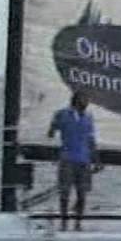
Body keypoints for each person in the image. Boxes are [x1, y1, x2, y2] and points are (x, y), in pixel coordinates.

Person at [47, 91, 100, 231]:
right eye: (85, 99)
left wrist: (96, 159)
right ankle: (64, 221)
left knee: (82, 193)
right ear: (77, 100)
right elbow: (51, 131)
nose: (87, 102)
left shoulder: (88, 117)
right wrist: (53, 127)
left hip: (84, 159)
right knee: (65, 191)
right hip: (68, 158)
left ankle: (78, 222)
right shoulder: (63, 114)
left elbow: (91, 139)